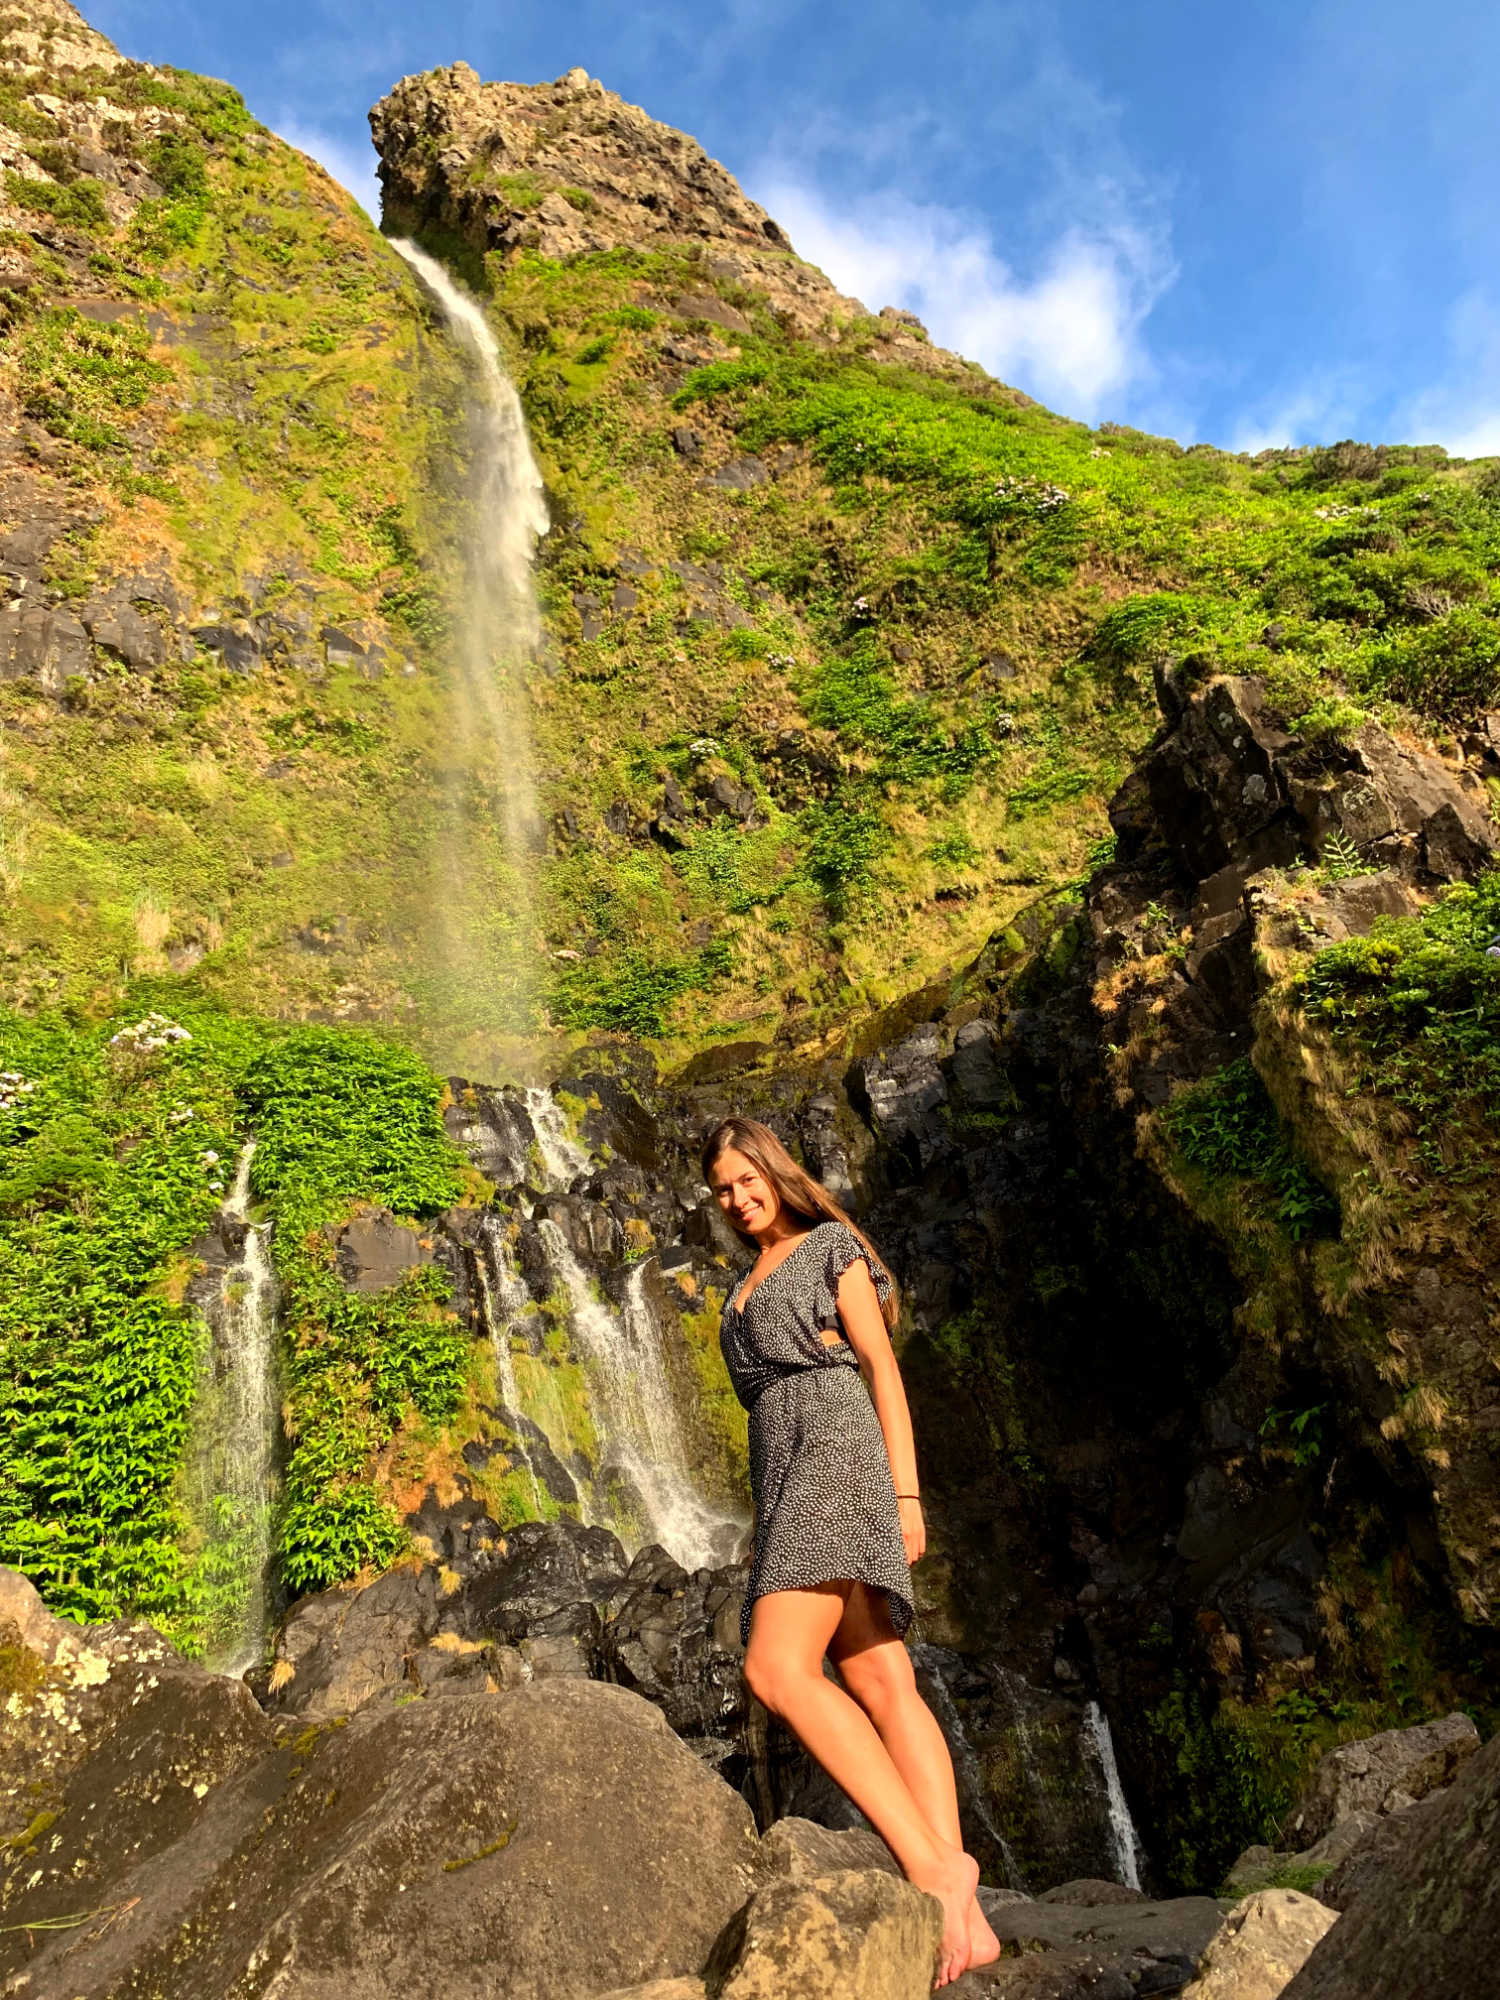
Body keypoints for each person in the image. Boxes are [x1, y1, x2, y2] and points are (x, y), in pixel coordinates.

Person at [702, 1115, 1001, 1990]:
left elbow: (882, 1368)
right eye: (722, 1188)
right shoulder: (739, 1285)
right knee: (880, 1679)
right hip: (785, 1468)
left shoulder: (831, 1245)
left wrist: (906, 1494)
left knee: (775, 1669)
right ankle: (967, 1918)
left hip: (836, 1451)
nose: (738, 1197)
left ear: (773, 1170)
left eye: (747, 1178)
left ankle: (933, 1868)